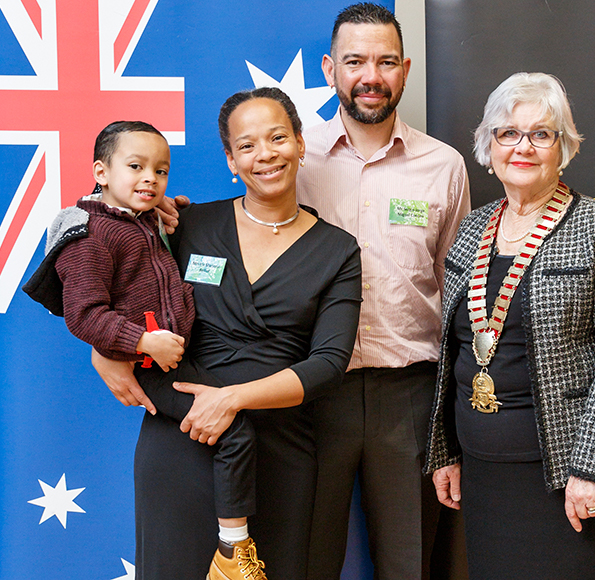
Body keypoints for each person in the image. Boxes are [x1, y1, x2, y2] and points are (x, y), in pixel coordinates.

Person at [91, 87, 363, 579]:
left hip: (278, 449)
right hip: (182, 435)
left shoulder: (338, 250)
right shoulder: (185, 224)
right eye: (247, 145)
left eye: (278, 137)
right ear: (231, 159)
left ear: (301, 143)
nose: (265, 154)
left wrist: (232, 399)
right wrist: (105, 348)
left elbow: (328, 363)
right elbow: (113, 281)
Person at [425, 72, 595, 580]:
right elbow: (457, 348)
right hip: (484, 472)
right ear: (489, 145)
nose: (522, 147)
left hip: (570, 474)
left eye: (541, 134)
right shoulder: (472, 229)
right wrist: (445, 450)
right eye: (508, 133)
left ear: (562, 146)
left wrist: (592, 468)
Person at [22, 121, 266, 579]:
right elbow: (84, 314)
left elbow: (153, 238)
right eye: (135, 167)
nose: (150, 178)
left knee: (236, 426)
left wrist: (169, 209)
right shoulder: (91, 235)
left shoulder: (143, 218)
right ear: (100, 171)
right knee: (236, 431)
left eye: (160, 170)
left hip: (175, 355)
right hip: (153, 365)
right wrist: (140, 341)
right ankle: (235, 552)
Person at [295, 4, 471, 579]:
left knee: (409, 560)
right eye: (355, 61)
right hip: (308, 393)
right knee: (305, 554)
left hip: (410, 396)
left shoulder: (443, 165)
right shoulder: (292, 160)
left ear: (406, 69)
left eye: (386, 61)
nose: (371, 75)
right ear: (329, 69)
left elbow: (459, 289)